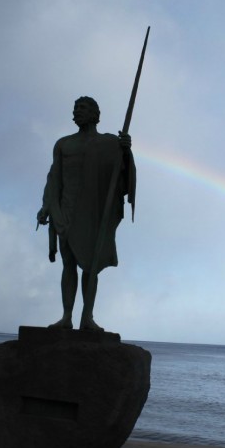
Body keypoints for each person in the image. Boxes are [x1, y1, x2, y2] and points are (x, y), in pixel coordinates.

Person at [37, 96, 136, 331]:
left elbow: (122, 174)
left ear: (95, 114)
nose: (76, 112)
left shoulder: (110, 143)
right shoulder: (63, 144)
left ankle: (87, 318)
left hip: (93, 214)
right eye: (75, 108)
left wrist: (126, 151)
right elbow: (54, 178)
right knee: (68, 264)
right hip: (65, 211)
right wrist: (46, 206)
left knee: (91, 267)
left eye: (82, 108)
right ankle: (67, 317)